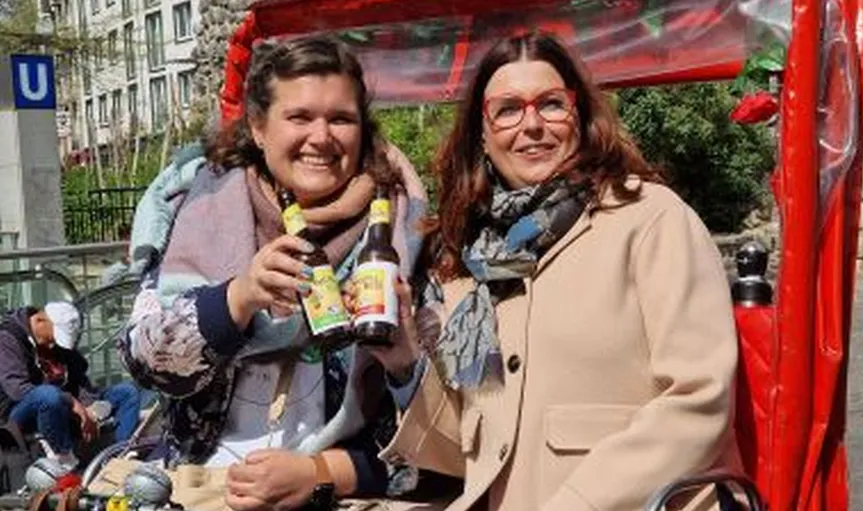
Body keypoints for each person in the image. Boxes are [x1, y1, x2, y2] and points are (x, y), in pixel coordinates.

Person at [365, 32, 742, 511]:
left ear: (579, 116)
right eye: (507, 110)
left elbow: (699, 399)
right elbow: (473, 449)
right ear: (482, 135)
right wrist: (404, 362)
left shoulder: (649, 218)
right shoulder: (471, 261)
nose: (532, 125)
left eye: (551, 104)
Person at [116, 36, 429, 510]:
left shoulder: (401, 232)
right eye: (299, 117)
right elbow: (145, 366)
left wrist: (320, 473)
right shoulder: (197, 210)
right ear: (258, 128)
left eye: (341, 119)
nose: (321, 137)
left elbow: (443, 441)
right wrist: (237, 298)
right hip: (200, 490)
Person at [0, 302, 141, 468]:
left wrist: (89, 407)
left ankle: (118, 455)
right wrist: (71, 402)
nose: (52, 344)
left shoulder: (56, 345)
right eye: (52, 338)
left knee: (127, 392)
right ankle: (64, 458)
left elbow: (78, 379)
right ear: (40, 320)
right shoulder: (7, 339)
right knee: (48, 395)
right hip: (20, 410)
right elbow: (18, 390)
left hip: (63, 404)